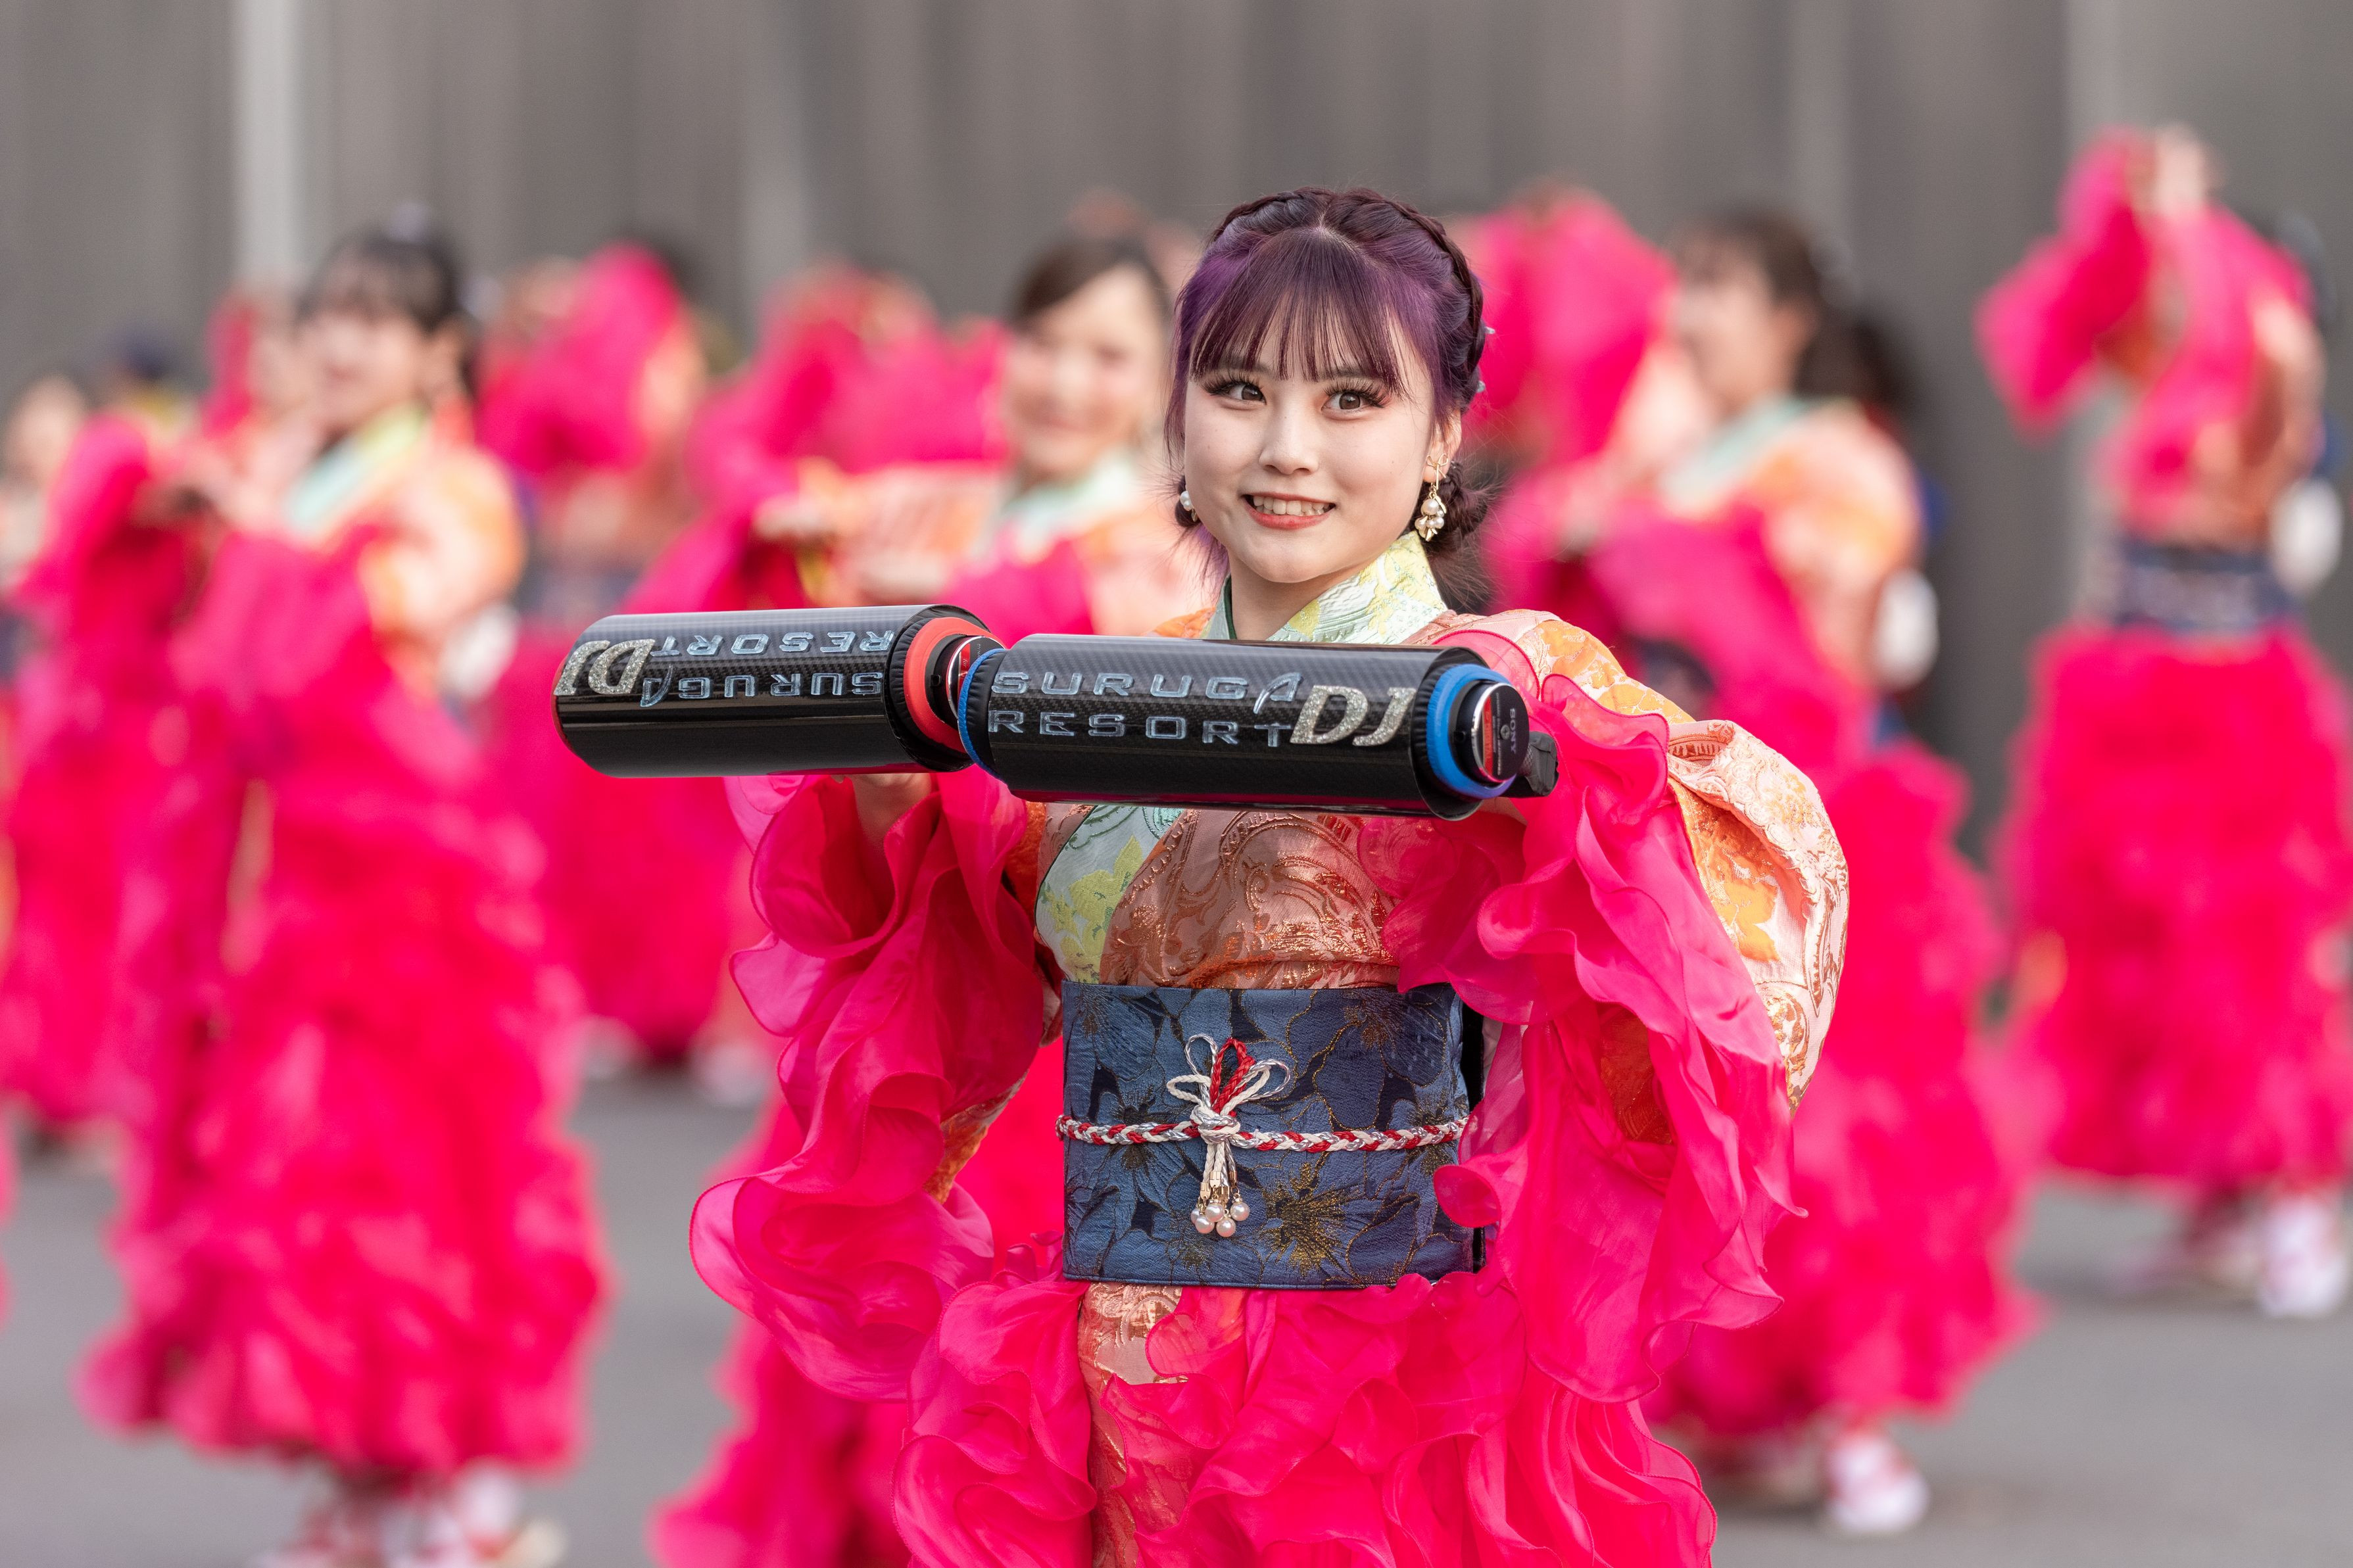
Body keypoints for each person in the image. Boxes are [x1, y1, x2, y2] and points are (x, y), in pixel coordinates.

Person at [689, 187, 1847, 1567]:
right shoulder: (1093, 693)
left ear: (1443, 434)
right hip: (1103, 1379)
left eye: (1351, 400)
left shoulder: (1501, 689)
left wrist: (1569, 798)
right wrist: (899, 804)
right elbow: (964, 967)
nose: (1286, 448)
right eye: (1239, 391)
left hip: (1383, 1398)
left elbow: (1762, 902)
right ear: (1179, 420)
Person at [651, 229, 1187, 1568]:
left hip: (1040, 999)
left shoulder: (1165, 555)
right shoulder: (921, 507)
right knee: (860, 1333)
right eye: (1045, 343)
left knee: (1006, 1354)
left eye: (1108, 355)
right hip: (891, 970)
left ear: (1159, 383)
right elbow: (736, 487)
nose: (1065, 380)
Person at [1503, 208, 2031, 1534]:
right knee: (1680, 1100)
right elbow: (1551, 547)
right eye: (1685, 283)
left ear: (1791, 318)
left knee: (1835, 1113)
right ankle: (1737, 1401)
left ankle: (1851, 1408)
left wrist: (1652, 533)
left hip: (1809, 822)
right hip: (1678, 816)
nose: (1689, 312)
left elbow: (1819, 626)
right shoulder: (1666, 447)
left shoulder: (1839, 457)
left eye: (1721, 288)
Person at [84, 222, 604, 1568]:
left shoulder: (456, 490)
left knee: (417, 1186)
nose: (342, 343)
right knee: (293, 1187)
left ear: (438, 354)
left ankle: (457, 1498)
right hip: (270, 889)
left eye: (378, 321)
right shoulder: (280, 467)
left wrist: (244, 527)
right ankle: (364, 1493)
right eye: (328, 316)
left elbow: (367, 621)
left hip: (406, 902)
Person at [1981, 127, 2353, 1318]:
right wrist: (2139, 221)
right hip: (2130, 704)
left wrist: (2188, 222)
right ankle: (2219, 1205)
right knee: (2150, 970)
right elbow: (2093, 318)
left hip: (2222, 715)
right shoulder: (2162, 381)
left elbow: (2250, 339)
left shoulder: (2269, 386)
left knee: (2245, 964)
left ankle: (2294, 1202)